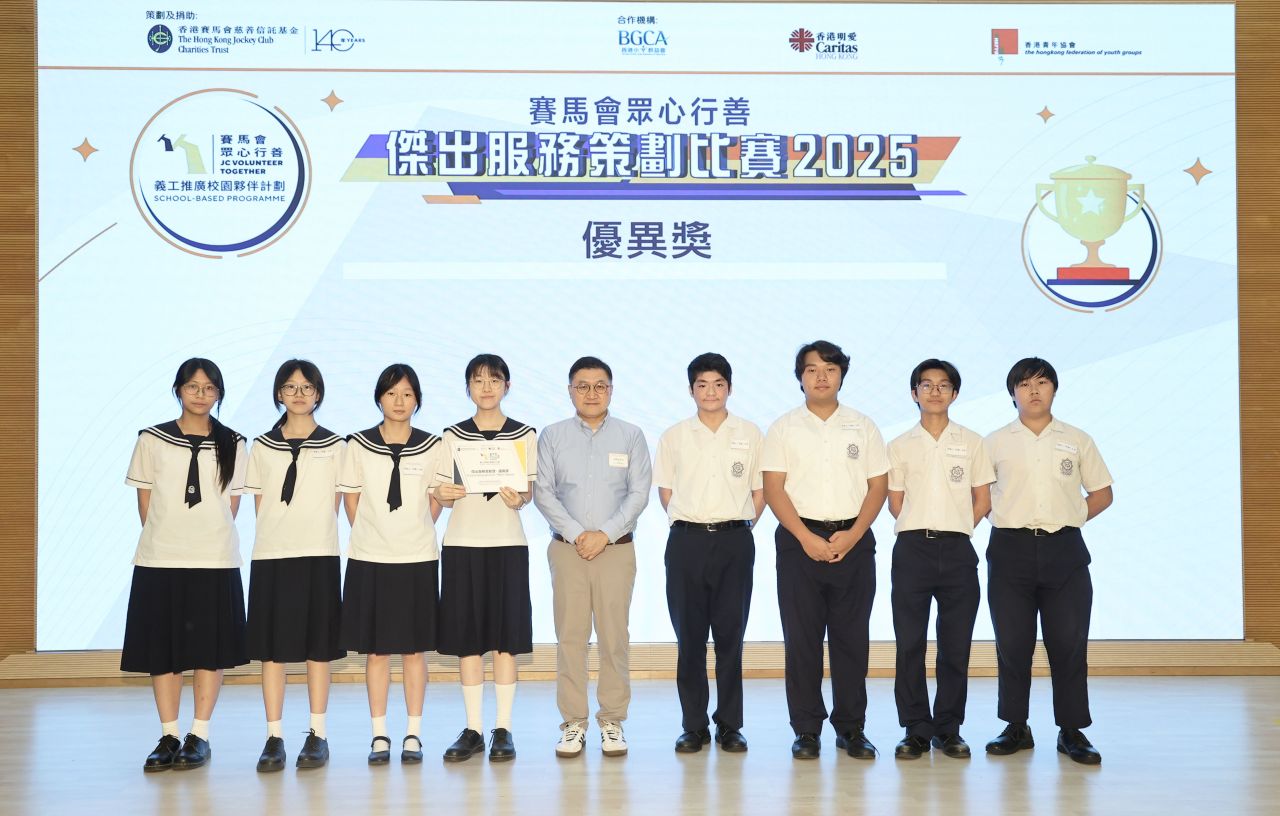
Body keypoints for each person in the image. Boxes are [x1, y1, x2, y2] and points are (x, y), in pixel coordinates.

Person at [982, 357, 1113, 765]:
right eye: (1024, 384)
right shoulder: (993, 442)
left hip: (1065, 551)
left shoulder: (1077, 439)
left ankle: (1071, 730)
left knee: (1069, 644)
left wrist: (1070, 516)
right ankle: (1015, 726)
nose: (1033, 390)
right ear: (1013, 393)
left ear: (1054, 389)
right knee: (1012, 644)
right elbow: (979, 497)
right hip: (1010, 550)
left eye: (1042, 382)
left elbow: (1102, 493)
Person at [761, 340, 888, 760]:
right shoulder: (783, 428)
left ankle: (851, 729)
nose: (821, 377)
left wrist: (853, 535)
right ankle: (806, 730)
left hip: (854, 540)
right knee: (802, 641)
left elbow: (878, 486)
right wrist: (805, 537)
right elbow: (774, 489)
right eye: (812, 369)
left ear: (841, 376)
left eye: (830, 369)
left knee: (852, 640)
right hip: (799, 541)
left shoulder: (863, 426)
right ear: (800, 377)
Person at [122, 357, 248, 772]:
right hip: (160, 557)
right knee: (164, 651)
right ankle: (169, 735)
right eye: (193, 386)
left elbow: (232, 504)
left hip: (214, 558)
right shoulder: (152, 439)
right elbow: (145, 503)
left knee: (210, 651)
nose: (201, 394)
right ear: (178, 389)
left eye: (209, 388)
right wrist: (169, 538)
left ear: (219, 394)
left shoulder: (234, 442)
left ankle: (200, 735)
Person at [534, 356, 651, 758]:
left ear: (611, 391)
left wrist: (604, 535)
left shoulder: (631, 436)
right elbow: (543, 492)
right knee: (570, 638)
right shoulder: (552, 436)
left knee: (615, 638)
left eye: (600, 386)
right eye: (582, 386)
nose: (591, 393)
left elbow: (639, 493)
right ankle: (573, 723)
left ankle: (612, 720)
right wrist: (577, 534)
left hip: (616, 550)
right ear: (570, 391)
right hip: (567, 550)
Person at [339, 363, 448, 766]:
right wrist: (374, 535)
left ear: (417, 399)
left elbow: (436, 499)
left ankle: (413, 734)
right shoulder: (358, 444)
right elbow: (352, 500)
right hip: (370, 557)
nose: (399, 401)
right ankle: (379, 734)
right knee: (377, 652)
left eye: (407, 394)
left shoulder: (434, 445)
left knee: (415, 651)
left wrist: (412, 531)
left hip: (417, 557)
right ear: (379, 398)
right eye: (391, 393)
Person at [654, 352, 763, 754]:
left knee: (731, 638)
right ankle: (694, 725)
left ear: (729, 388)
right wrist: (695, 524)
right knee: (690, 639)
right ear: (691, 390)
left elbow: (759, 491)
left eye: (718, 384)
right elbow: (666, 491)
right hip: (687, 542)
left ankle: (730, 725)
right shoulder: (674, 436)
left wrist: (740, 525)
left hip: (735, 541)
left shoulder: (750, 433)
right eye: (702, 385)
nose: (711, 391)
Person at [885, 359, 994, 760]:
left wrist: (955, 526)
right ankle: (915, 728)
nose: (935, 392)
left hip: (958, 550)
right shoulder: (899, 445)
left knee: (955, 644)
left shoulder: (973, 442)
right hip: (912, 549)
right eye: (926, 385)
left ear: (955, 393)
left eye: (943, 385)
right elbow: (896, 503)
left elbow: (982, 499)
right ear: (914, 393)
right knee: (909, 643)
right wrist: (925, 527)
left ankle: (948, 728)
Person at [432, 354, 537, 763]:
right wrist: (443, 494)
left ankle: (503, 729)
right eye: (478, 380)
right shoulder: (452, 436)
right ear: (468, 388)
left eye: (495, 380)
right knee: (468, 641)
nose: (487, 387)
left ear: (507, 386)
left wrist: (520, 499)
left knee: (506, 641)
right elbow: (441, 492)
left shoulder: (524, 434)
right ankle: (474, 728)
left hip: (508, 543)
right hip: (462, 543)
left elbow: (528, 492)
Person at [244, 359, 345, 771]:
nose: (299, 394)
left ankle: (318, 734)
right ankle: (274, 737)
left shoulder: (336, 446)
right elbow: (259, 504)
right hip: (272, 555)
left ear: (318, 394)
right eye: (290, 387)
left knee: (318, 650)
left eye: (307, 387)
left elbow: (336, 505)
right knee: (273, 652)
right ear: (278, 394)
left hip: (318, 554)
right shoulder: (261, 446)